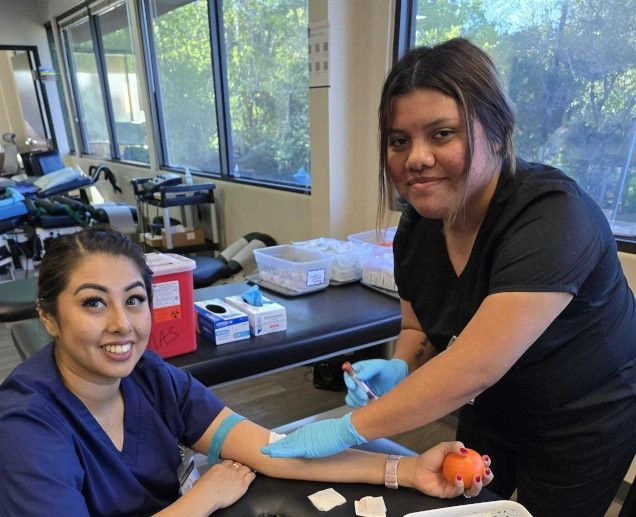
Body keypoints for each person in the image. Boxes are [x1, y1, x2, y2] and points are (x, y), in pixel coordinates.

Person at [260, 38, 636, 516]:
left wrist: (349, 427)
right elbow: (420, 330)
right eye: (399, 140)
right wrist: (400, 366)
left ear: (497, 133)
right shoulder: (417, 226)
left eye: (442, 134)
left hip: (583, 418)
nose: (415, 157)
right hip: (492, 407)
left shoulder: (553, 217)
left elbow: (474, 365)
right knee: (469, 505)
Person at [0, 226, 492, 516]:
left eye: (134, 300)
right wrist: (200, 501)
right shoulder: (28, 425)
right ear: (49, 316)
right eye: (92, 303)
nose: (121, 325)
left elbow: (269, 451)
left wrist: (404, 470)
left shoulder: (149, 378)